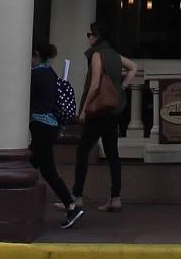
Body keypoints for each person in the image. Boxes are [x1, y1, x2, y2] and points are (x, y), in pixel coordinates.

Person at [71, 19, 132, 213]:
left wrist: (83, 109)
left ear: (96, 37)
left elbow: (95, 84)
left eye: (90, 34)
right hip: (113, 111)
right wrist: (121, 87)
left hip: (98, 111)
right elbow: (134, 67)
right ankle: (115, 197)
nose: (88, 37)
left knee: (82, 152)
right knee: (113, 153)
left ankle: (77, 196)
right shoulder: (114, 54)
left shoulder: (97, 55)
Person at [29, 41, 81, 228]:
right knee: (47, 171)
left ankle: (20, 207)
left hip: (41, 126)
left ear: (36, 54)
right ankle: (71, 206)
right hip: (51, 126)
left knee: (28, 165)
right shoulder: (50, 72)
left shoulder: (36, 75)